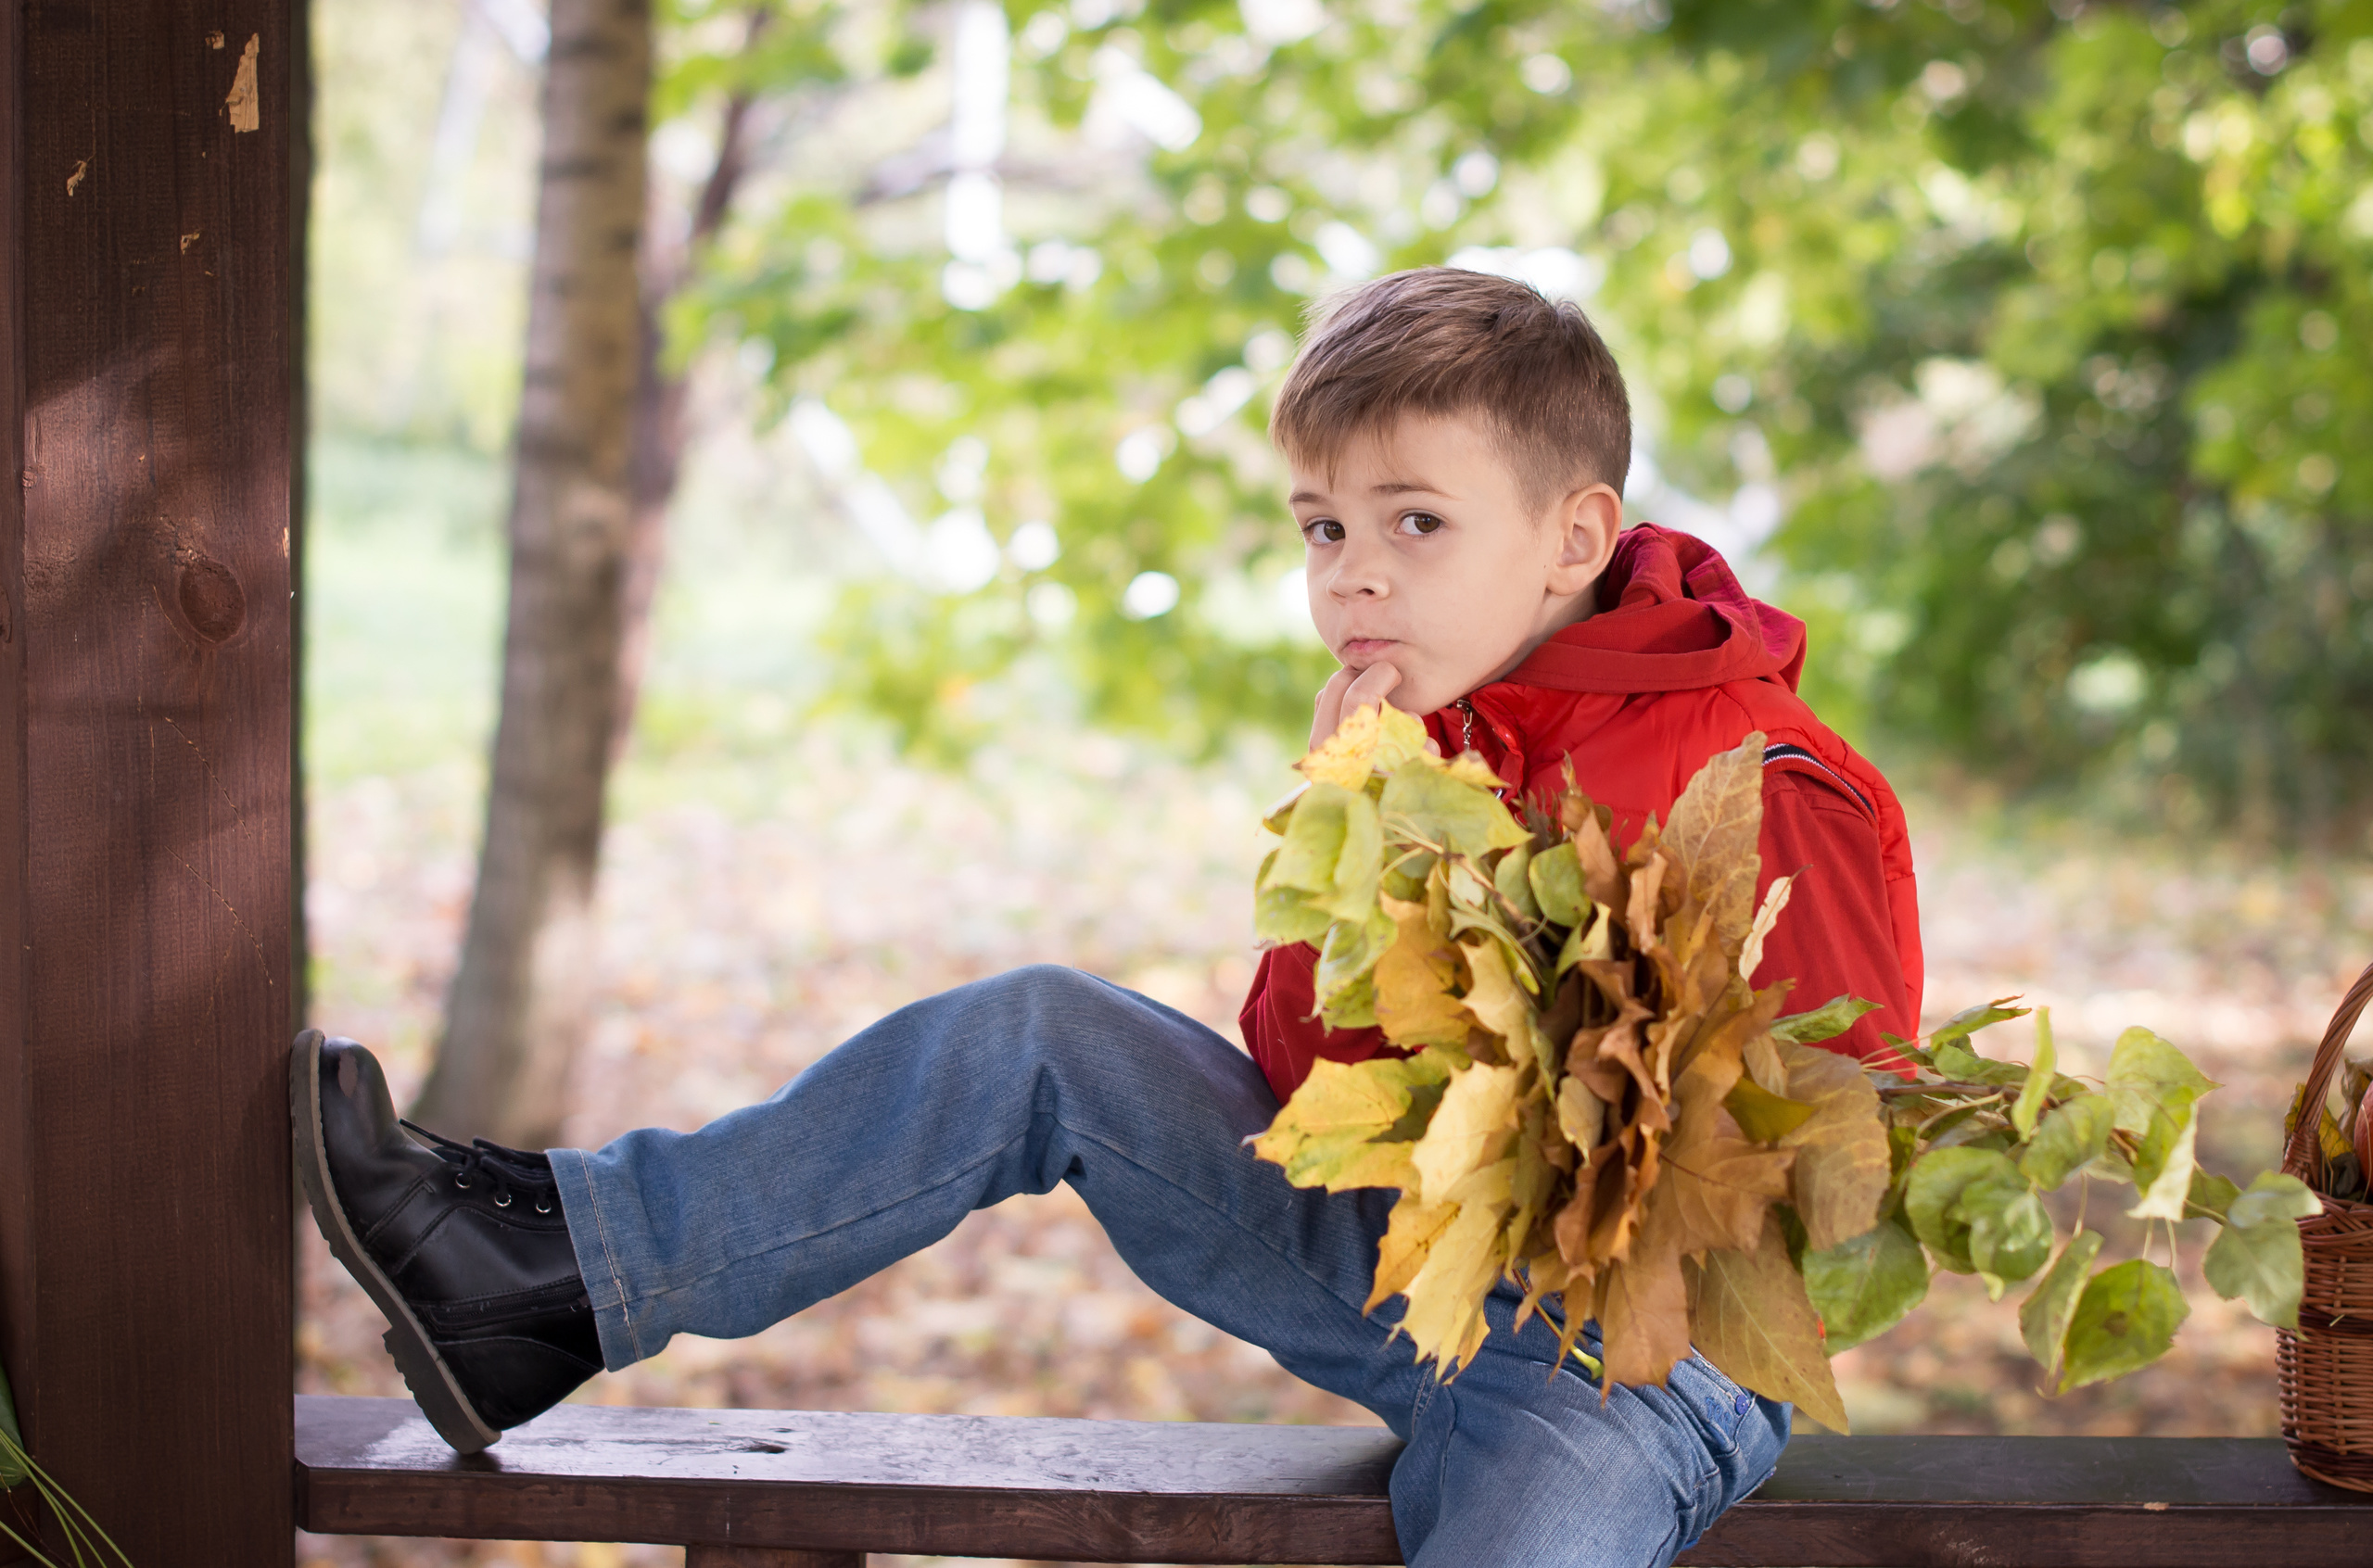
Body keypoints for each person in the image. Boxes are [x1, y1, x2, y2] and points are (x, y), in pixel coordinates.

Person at [294, 267, 1921, 1567]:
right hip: (1407, 1276)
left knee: (1530, 1511)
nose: (1353, 575)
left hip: (1633, 1353)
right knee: (1040, 1034)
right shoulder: (1417, 730)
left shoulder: (1767, 771)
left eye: (1416, 522)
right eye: (1324, 527)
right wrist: (1356, 817)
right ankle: (551, 1281)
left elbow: (1838, 1159)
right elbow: (1310, 1093)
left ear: (1575, 535)